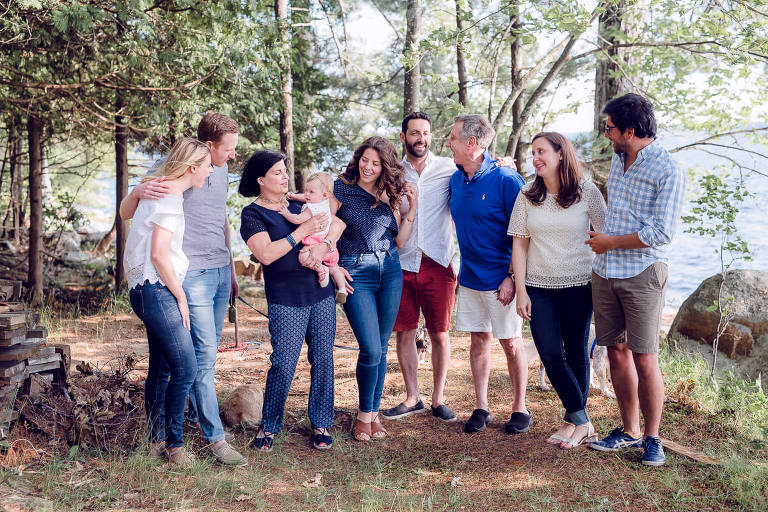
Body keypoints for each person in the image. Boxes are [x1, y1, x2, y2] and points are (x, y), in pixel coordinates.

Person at [120, 112, 246, 466]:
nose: (231, 156)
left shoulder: (214, 171)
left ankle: (166, 436)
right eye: (228, 149)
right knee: (194, 362)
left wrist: (232, 267)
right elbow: (134, 219)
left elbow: (220, 216)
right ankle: (206, 438)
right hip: (178, 279)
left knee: (170, 362)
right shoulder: (171, 180)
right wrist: (137, 190)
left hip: (214, 270)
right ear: (205, 151)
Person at [586, 93, 685, 466]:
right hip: (606, 271)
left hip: (643, 273)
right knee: (616, 351)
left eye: (610, 128)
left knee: (645, 357)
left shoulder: (668, 169)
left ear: (630, 130)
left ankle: (652, 438)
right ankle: (628, 431)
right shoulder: (617, 156)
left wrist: (611, 241)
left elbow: (661, 232)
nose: (606, 135)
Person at [239, 151, 347, 451]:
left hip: (320, 293)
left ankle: (322, 422)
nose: (285, 176)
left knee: (323, 360)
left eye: (285, 170)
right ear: (261, 180)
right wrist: (302, 232)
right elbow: (266, 254)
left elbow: (337, 223)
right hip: (286, 299)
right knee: (284, 364)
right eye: (277, 172)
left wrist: (325, 244)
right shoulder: (253, 214)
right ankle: (269, 425)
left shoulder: (302, 202)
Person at [509, 132, 606, 449]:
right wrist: (521, 290)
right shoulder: (526, 194)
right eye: (533, 152)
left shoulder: (586, 191)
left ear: (561, 154)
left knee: (577, 352)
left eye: (542, 151)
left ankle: (572, 422)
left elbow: (605, 236)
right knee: (550, 352)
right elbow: (520, 247)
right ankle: (583, 420)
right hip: (539, 288)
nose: (535, 157)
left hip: (580, 285)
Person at [125, 138, 213, 466]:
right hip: (156, 289)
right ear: (192, 168)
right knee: (186, 368)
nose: (210, 170)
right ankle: (174, 445)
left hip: (145, 289)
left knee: (161, 368)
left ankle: (154, 440)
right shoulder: (168, 198)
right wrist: (181, 297)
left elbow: (125, 214)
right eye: (206, 165)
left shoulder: (157, 188)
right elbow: (159, 254)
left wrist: (135, 192)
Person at [446, 114, 530, 435]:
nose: (448, 143)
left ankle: (519, 408)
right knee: (478, 340)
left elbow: (524, 233)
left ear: (471, 143)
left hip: (502, 280)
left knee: (510, 342)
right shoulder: (455, 179)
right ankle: (481, 407)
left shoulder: (507, 180)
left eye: (453, 138)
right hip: (470, 278)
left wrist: (511, 276)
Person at [334, 136, 416, 442]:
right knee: (370, 347)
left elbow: (400, 241)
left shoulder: (389, 193)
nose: (369, 167)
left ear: (385, 166)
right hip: (356, 271)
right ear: (358, 159)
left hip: (391, 270)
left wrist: (412, 208)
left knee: (381, 348)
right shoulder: (341, 187)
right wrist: (332, 264)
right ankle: (363, 415)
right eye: (365, 160)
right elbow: (323, 223)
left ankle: (372, 414)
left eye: (376, 162)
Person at [381, 112, 460, 423]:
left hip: (439, 262)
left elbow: (476, 169)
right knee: (405, 332)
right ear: (403, 138)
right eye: (414, 133)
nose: (420, 139)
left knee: (440, 333)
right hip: (402, 263)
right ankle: (413, 396)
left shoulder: (447, 168)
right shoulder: (393, 172)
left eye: (425, 133)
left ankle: (439, 398)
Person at [278, 172, 348, 302]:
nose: (306, 194)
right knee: (335, 268)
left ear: (325, 194)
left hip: (314, 243)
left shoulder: (311, 209)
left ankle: (321, 269)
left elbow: (297, 219)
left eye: (311, 191)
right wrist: (294, 196)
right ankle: (342, 288)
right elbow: (305, 198)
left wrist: (286, 213)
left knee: (303, 256)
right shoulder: (324, 202)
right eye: (306, 191)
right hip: (330, 246)